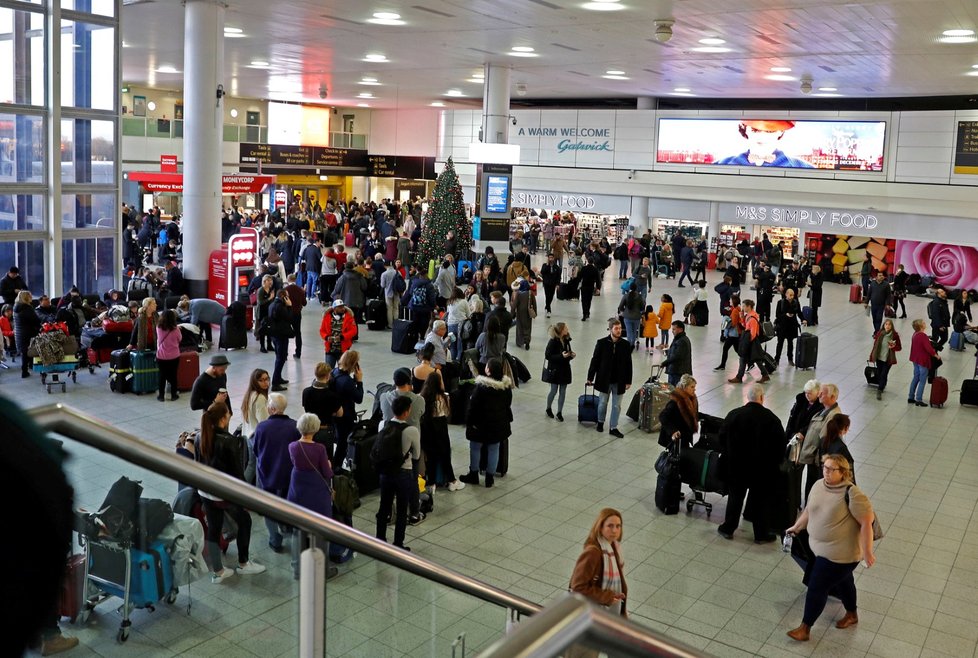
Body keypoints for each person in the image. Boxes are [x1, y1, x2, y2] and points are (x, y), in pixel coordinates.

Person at [785, 454, 876, 642]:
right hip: (822, 550)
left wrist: (867, 553)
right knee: (844, 582)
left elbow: (867, 523)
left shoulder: (852, 494)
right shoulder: (818, 485)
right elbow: (810, 509)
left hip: (841, 554)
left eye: (831, 469)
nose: (826, 471)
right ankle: (852, 614)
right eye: (824, 467)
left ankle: (805, 628)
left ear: (843, 472)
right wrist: (797, 526)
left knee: (817, 586)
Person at [197, 401, 266, 583]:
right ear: (223, 418)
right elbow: (236, 472)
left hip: (205, 491)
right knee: (245, 521)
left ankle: (218, 571)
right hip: (224, 493)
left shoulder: (200, 436)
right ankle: (243, 563)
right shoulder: (229, 441)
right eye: (228, 413)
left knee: (214, 528)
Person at [716, 384, 786, 543]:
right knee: (759, 501)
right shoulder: (772, 420)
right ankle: (761, 534)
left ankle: (728, 528)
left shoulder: (734, 415)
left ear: (748, 397)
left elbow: (721, 437)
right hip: (761, 471)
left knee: (735, 498)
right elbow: (780, 447)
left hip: (736, 468)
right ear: (762, 398)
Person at [252, 393, 299, 553]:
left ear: (271, 409)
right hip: (288, 476)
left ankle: (275, 539)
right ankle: (288, 529)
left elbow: (256, 450)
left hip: (268, 474)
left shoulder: (262, 427)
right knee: (288, 505)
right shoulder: (294, 426)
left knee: (269, 508)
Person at [375, 395, 421, 550]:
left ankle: (380, 539)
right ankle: (398, 544)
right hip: (403, 473)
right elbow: (416, 455)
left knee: (384, 506)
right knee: (402, 509)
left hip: (385, 472)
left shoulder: (382, 425)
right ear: (407, 412)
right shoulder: (411, 430)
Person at [459, 357, 514, 487]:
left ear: (488, 370)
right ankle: (490, 477)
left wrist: (469, 422)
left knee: (475, 447)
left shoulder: (481, 387)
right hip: (499, 424)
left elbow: (472, 407)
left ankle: (474, 474)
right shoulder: (506, 387)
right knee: (494, 448)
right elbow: (508, 403)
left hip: (480, 425)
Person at [569, 508, 627, 618]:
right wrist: (607, 597)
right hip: (591, 613)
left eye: (618, 526)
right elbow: (578, 587)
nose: (614, 530)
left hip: (607, 608)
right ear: (600, 527)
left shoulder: (615, 548)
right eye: (610, 526)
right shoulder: (593, 553)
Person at [419, 370, 465, 491]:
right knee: (445, 456)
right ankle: (451, 481)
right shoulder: (444, 397)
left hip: (427, 429)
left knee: (431, 457)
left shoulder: (422, 397)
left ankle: (431, 483)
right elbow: (447, 413)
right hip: (441, 428)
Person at [586, 318, 632, 438]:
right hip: (604, 379)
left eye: (620, 328)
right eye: (616, 328)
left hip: (619, 380)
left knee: (617, 405)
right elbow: (595, 360)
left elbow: (628, 363)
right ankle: (600, 422)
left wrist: (628, 380)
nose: (619, 330)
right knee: (602, 403)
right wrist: (590, 377)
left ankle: (613, 427)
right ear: (610, 329)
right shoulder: (601, 343)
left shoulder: (625, 345)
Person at [797, 384, 842, 500]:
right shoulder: (824, 410)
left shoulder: (833, 416)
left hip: (818, 461)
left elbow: (825, 440)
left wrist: (819, 460)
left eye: (823, 393)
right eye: (820, 392)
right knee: (810, 486)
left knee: (814, 488)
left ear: (833, 397)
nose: (819, 395)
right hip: (813, 459)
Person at [716, 120, 814, 168]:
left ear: (781, 131)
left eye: (769, 131)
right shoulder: (722, 164)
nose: (762, 137)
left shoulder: (802, 167)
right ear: (745, 129)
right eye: (755, 130)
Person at [331, 349, 364, 467]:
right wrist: (359, 381)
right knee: (343, 444)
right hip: (345, 416)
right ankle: (337, 467)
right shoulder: (347, 381)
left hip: (334, 413)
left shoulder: (334, 372)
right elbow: (359, 398)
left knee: (339, 440)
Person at [301, 362, 344, 449]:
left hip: (310, 429)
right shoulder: (331, 395)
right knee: (326, 458)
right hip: (325, 430)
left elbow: (306, 407)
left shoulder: (306, 392)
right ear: (328, 376)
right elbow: (340, 414)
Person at [729, 299, 771, 384]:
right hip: (750, 341)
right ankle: (764, 375)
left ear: (749, 306)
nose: (743, 308)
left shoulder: (752, 318)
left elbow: (753, 333)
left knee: (746, 358)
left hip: (750, 341)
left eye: (744, 306)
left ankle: (739, 377)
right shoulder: (749, 315)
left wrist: (747, 344)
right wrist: (742, 318)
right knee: (754, 359)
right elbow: (745, 326)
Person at [657, 374, 698, 450]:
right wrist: (673, 431)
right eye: (692, 387)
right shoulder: (676, 401)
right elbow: (663, 416)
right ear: (684, 387)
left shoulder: (691, 399)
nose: (694, 389)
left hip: (684, 434)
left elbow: (692, 413)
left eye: (694, 387)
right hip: (676, 437)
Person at [544, 322, 575, 422]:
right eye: (566, 328)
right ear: (561, 330)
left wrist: (570, 355)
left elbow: (566, 353)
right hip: (555, 370)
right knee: (553, 390)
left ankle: (559, 412)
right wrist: (561, 356)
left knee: (563, 391)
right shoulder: (553, 341)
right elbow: (548, 356)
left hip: (564, 369)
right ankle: (548, 408)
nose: (567, 329)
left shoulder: (566, 340)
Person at [266, 289, 293, 392]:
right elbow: (290, 318)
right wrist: (289, 306)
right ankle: (275, 383)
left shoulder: (272, 305)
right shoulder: (280, 307)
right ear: (283, 296)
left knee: (279, 357)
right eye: (287, 296)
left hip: (275, 334)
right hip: (281, 335)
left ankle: (278, 377)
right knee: (281, 358)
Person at [908, 318, 940, 407]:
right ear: (921, 326)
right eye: (923, 323)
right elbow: (929, 349)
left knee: (916, 377)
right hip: (922, 360)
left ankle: (911, 396)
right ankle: (919, 399)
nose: (925, 323)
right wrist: (936, 355)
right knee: (922, 380)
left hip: (915, 359)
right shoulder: (923, 336)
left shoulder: (915, 334)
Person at [869, 318, 901, 400]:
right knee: (880, 373)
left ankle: (880, 389)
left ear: (892, 326)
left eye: (889, 324)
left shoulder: (894, 335)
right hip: (879, 357)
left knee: (884, 373)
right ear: (884, 325)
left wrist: (893, 347)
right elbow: (875, 345)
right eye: (886, 324)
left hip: (888, 358)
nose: (887, 326)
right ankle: (882, 384)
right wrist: (872, 355)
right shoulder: (880, 333)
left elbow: (899, 347)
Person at [319, 299, 357, 368]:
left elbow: (353, 331)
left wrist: (342, 337)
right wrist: (327, 337)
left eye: (343, 306)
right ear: (334, 309)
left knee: (343, 370)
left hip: (343, 350)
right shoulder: (327, 317)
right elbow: (322, 330)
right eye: (339, 307)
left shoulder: (349, 317)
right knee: (328, 371)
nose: (342, 309)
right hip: (330, 350)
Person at [816, 415, 855, 480]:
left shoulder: (823, 440)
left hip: (823, 478)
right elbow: (848, 470)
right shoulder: (841, 448)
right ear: (845, 428)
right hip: (836, 481)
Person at [155, 309, 181, 402]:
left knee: (162, 376)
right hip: (174, 356)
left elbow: (159, 338)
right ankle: (174, 395)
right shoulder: (176, 329)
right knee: (173, 375)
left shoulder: (158, 327)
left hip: (161, 356)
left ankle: (161, 396)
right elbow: (180, 339)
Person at [13, 290, 41, 378]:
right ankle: (27, 370)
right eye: (30, 296)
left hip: (19, 333)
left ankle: (24, 370)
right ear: (26, 298)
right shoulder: (27, 308)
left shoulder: (16, 307)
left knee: (24, 353)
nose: (31, 298)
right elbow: (36, 320)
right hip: (28, 333)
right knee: (29, 351)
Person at [774, 287, 802, 366]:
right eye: (790, 295)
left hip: (792, 326)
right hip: (782, 326)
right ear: (786, 295)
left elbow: (799, 312)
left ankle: (790, 359)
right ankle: (777, 359)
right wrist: (785, 315)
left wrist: (803, 319)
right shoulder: (781, 302)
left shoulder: (796, 302)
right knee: (780, 343)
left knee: (790, 343)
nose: (792, 297)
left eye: (793, 295)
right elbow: (777, 315)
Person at [658, 321, 692, 387]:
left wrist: (664, 363)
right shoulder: (678, 339)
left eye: (674, 329)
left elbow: (677, 356)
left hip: (678, 372)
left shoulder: (682, 341)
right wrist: (666, 351)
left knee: (675, 391)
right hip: (676, 370)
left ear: (681, 329)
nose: (672, 331)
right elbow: (675, 351)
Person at [714, 294, 743, 371]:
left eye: (730, 300)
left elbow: (733, 323)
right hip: (737, 333)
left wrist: (726, 325)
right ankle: (749, 363)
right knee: (738, 350)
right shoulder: (738, 308)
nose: (729, 301)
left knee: (726, 348)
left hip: (733, 334)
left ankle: (722, 365)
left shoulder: (734, 311)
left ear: (733, 301)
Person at [284, 274, 307, 358]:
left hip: (287, 314)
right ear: (295, 279)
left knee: (285, 334)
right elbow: (304, 303)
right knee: (298, 333)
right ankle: (298, 353)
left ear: (288, 279)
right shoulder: (300, 290)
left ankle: (285, 354)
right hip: (297, 314)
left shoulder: (285, 290)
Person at [445, 287, 471, 361]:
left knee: (453, 345)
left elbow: (448, 313)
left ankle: (453, 360)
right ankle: (459, 362)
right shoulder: (464, 301)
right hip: (461, 327)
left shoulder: (450, 302)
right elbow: (469, 314)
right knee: (460, 345)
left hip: (450, 326)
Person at [510, 280, 536, 350]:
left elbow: (514, 305)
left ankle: (520, 342)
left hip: (520, 313)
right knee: (528, 327)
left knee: (520, 328)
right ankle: (527, 342)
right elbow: (534, 303)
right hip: (528, 313)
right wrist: (534, 313)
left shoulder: (518, 294)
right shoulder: (530, 293)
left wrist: (512, 313)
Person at [618, 284, 644, 350]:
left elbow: (620, 306)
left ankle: (629, 344)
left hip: (627, 316)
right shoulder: (640, 296)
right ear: (636, 288)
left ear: (630, 288)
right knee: (634, 331)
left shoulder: (626, 296)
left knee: (629, 331)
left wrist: (624, 311)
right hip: (637, 317)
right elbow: (642, 307)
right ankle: (632, 344)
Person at [255, 274, 275, 353]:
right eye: (269, 281)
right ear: (265, 281)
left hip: (269, 312)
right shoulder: (261, 290)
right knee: (263, 329)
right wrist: (269, 298)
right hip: (261, 312)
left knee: (269, 329)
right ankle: (262, 346)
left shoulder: (271, 290)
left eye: (271, 281)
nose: (270, 282)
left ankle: (269, 345)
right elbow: (260, 302)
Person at [578, 255, 600, 321]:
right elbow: (598, 280)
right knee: (589, 300)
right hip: (591, 287)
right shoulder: (595, 269)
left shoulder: (584, 268)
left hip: (584, 287)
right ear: (593, 262)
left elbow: (579, 277)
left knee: (584, 301)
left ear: (587, 261)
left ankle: (584, 314)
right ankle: (587, 312)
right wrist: (598, 288)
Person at [540, 253, 561, 318]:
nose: (551, 259)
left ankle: (547, 305)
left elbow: (558, 276)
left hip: (553, 284)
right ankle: (549, 310)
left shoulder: (557, 267)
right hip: (546, 283)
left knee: (551, 296)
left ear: (554, 258)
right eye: (549, 258)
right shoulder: (545, 265)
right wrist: (547, 265)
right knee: (547, 296)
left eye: (552, 257)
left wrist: (557, 284)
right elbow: (542, 272)